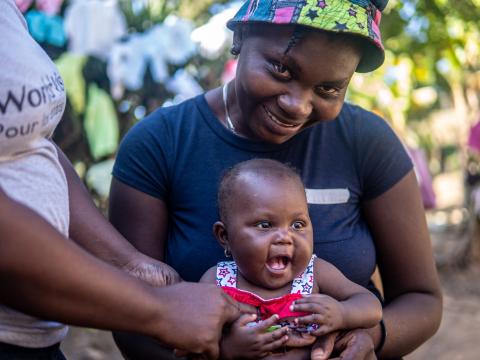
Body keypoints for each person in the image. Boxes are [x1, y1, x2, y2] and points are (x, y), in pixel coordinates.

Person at [110, 0, 443, 359]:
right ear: (240, 35)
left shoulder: (367, 142)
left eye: (329, 89)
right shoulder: (161, 143)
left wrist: (372, 339)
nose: (298, 105)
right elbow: (133, 316)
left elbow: (421, 299)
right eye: (281, 69)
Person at [0, 1, 246, 358]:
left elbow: (32, 145)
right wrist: (158, 309)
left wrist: (128, 262)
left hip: (37, 337)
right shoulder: (162, 139)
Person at [200, 159, 383, 359]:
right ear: (224, 236)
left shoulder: (315, 273)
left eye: (297, 225)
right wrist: (228, 349)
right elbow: (194, 342)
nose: (285, 237)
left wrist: (342, 313)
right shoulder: (216, 282)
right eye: (264, 225)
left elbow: (370, 305)